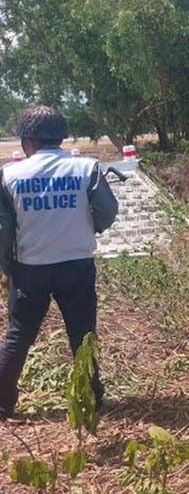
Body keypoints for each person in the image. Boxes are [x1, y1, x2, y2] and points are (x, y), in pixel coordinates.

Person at [0, 105, 119, 419]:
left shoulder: (9, 175)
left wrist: (6, 268)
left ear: (28, 141)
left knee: (18, 335)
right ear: (61, 138)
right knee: (83, 335)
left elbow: (4, 228)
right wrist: (88, 226)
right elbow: (108, 211)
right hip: (76, 266)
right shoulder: (86, 168)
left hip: (30, 270)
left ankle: (2, 403)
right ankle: (91, 398)